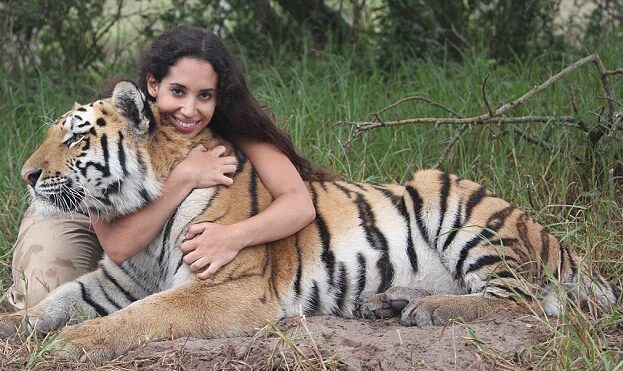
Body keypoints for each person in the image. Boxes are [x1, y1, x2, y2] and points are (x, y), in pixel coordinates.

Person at [8, 25, 334, 310]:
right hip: (69, 203)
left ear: (219, 97)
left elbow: (298, 203)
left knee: (116, 289)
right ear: (153, 84)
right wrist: (185, 177)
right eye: (178, 91)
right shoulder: (120, 118)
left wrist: (233, 236)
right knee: (42, 293)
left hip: (133, 238)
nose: (189, 110)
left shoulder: (232, 129)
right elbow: (119, 246)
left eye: (205, 95)